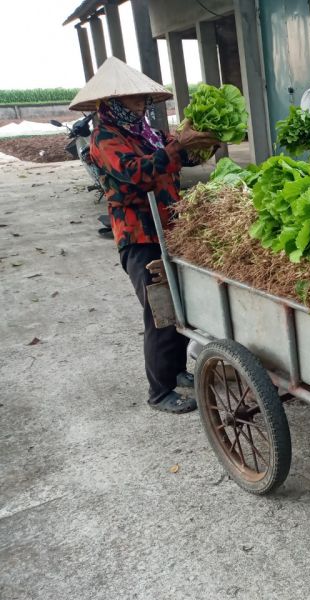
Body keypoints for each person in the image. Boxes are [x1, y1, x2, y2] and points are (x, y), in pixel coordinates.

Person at [69, 57, 218, 414]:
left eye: (142, 100)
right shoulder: (105, 138)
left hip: (169, 228)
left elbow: (179, 158)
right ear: (113, 102)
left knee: (180, 305)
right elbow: (138, 172)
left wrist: (200, 143)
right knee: (159, 311)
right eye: (133, 100)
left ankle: (177, 371)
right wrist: (176, 148)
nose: (141, 105)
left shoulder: (146, 132)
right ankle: (159, 391)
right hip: (139, 236)